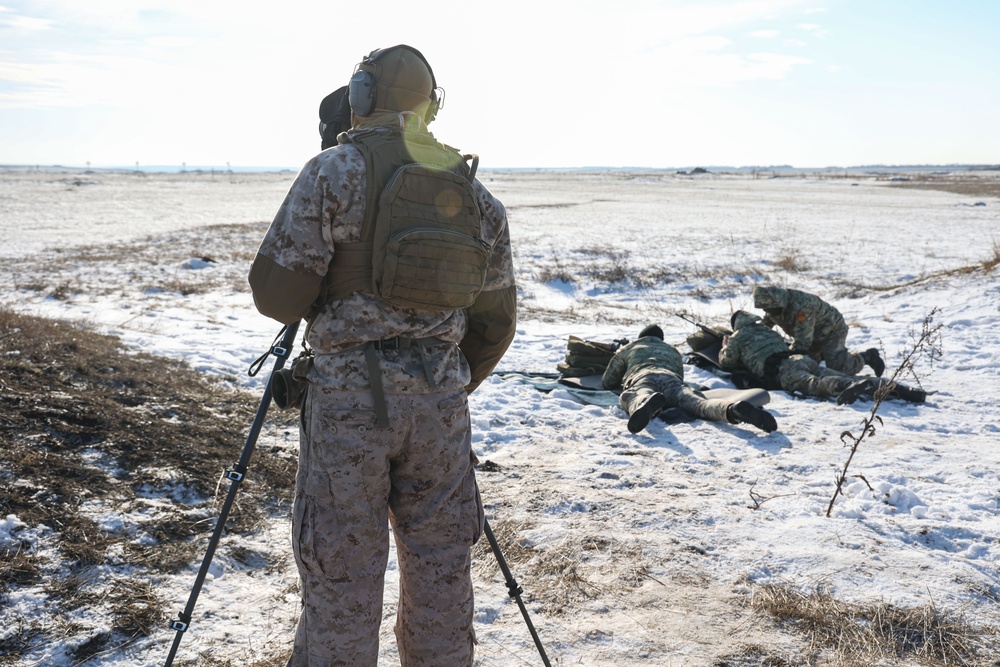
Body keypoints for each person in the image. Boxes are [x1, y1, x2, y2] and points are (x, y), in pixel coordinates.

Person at [248, 45, 516, 667]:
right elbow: (495, 323)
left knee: (342, 567)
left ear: (361, 96)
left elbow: (277, 296)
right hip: (442, 402)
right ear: (431, 105)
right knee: (442, 565)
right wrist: (438, 381)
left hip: (349, 399)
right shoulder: (475, 195)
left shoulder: (332, 172)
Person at [718, 311, 925, 405]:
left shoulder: (738, 337)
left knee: (815, 384)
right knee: (827, 373)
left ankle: (844, 386)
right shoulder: (766, 330)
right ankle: (901, 389)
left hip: (783, 370)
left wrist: (725, 346)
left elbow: (727, 362)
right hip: (800, 358)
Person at [601, 324, 778, 434]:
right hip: (672, 380)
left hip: (643, 377)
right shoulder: (672, 350)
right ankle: (732, 410)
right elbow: (680, 375)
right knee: (700, 405)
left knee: (631, 396)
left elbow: (608, 380)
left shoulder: (631, 347)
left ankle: (644, 403)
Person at [752, 285, 885, 377]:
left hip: (832, 330)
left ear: (778, 303)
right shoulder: (774, 306)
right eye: (766, 310)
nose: (768, 312)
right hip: (812, 335)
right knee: (810, 369)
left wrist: (789, 357)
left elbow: (803, 342)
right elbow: (766, 325)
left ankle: (867, 357)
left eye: (769, 309)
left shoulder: (802, 307)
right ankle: (821, 355)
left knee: (838, 368)